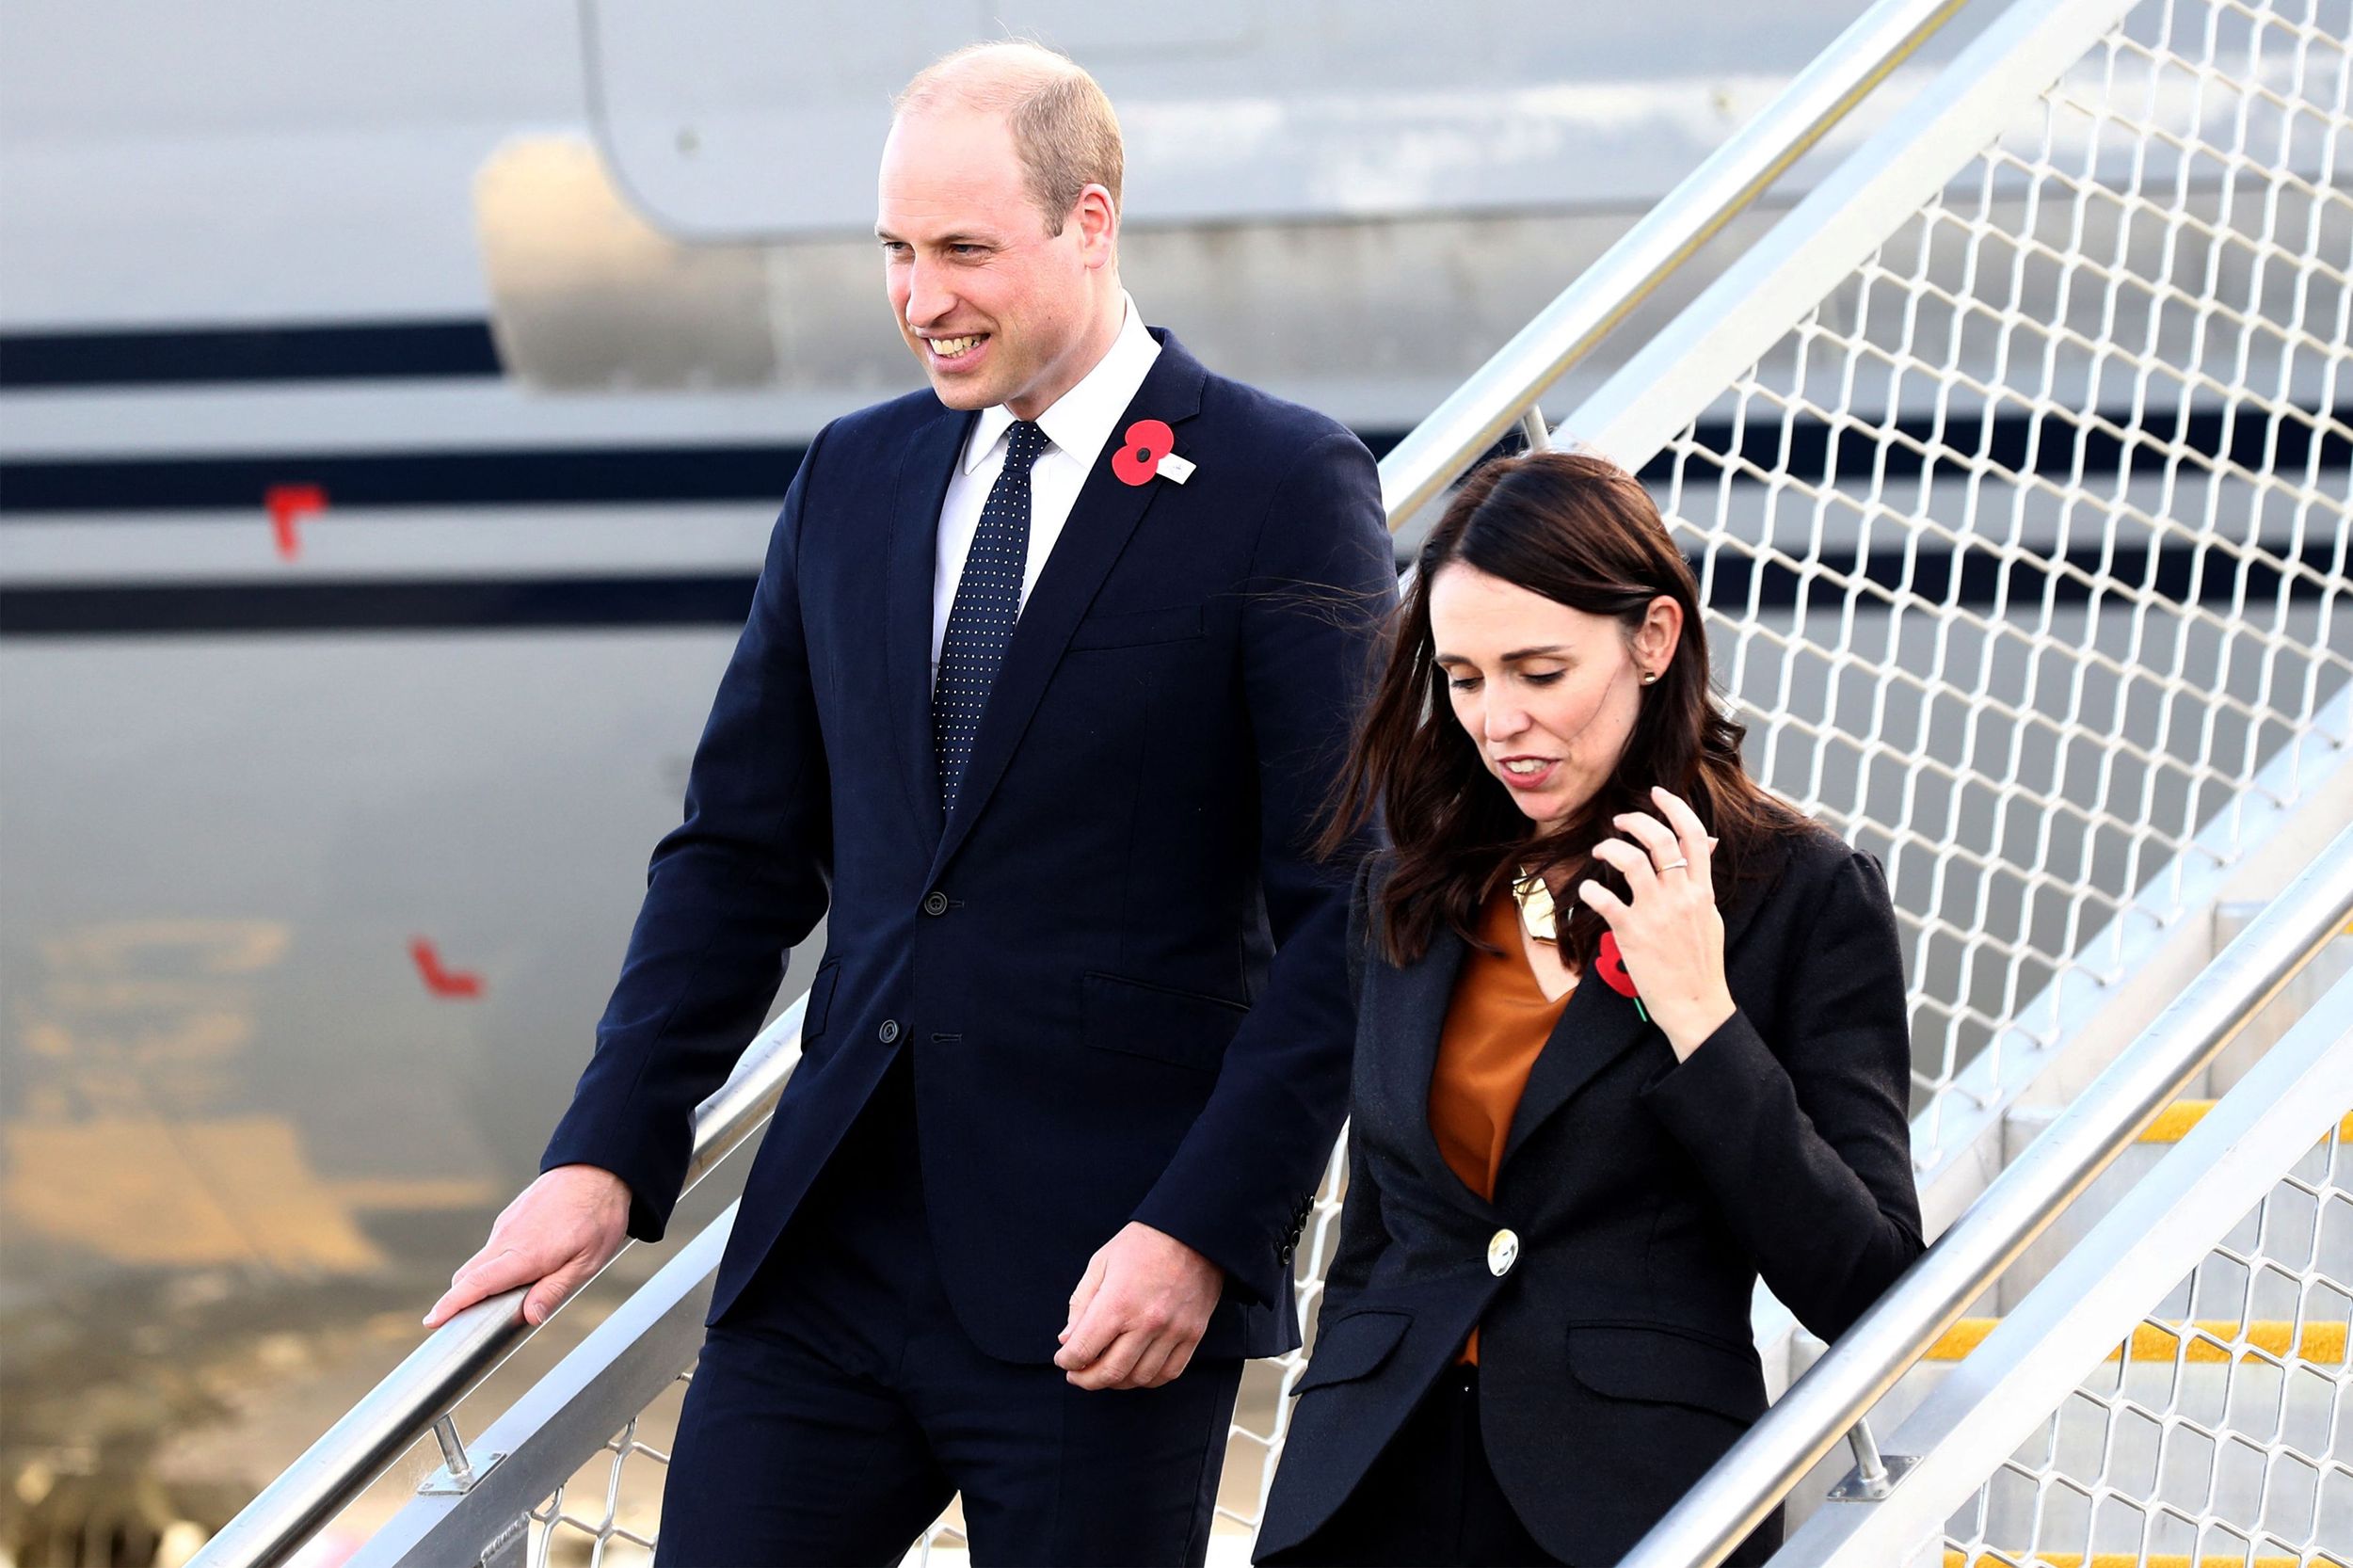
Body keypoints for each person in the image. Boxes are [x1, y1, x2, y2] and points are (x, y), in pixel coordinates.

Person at [422, 40, 1396, 1567]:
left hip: (1109, 1279)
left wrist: (1206, 1231)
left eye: (962, 251)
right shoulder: (853, 478)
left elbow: (1354, 910)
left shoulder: (1278, 486)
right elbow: (735, 858)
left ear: (1089, 222)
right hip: (832, 1255)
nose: (920, 296)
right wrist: (605, 1151)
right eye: (895, 249)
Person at [1255, 451, 1923, 1567]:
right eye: (1464, 678)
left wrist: (1701, 1016)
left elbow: (1869, 1285)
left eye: (1539, 670)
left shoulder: (1798, 895)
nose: (1498, 719)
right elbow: (1381, 1230)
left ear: (1653, 638)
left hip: (1629, 1501)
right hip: (1369, 1485)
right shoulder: (1409, 889)